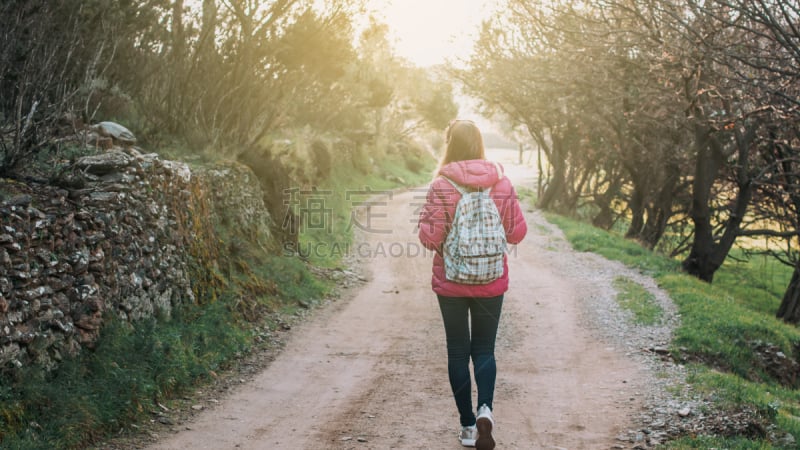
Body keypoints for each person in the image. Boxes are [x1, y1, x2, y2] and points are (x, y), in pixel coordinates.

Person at [418, 119, 528, 449]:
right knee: (484, 349)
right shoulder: (502, 182)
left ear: (450, 144)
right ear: (480, 144)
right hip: (492, 281)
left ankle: (467, 427)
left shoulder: (442, 185)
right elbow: (517, 233)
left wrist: (444, 240)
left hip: (451, 281)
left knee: (457, 351)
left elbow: (429, 237)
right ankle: (486, 410)